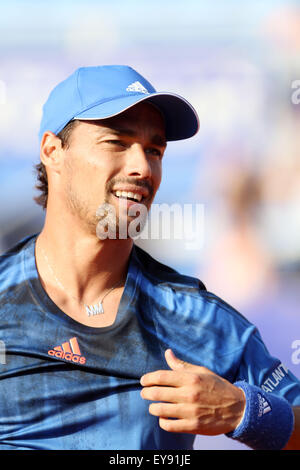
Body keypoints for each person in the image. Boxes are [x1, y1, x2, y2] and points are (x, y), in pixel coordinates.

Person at [0, 65, 299, 451]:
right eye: (117, 142)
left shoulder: (197, 318)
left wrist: (244, 413)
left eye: (154, 150)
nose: (143, 167)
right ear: (53, 151)